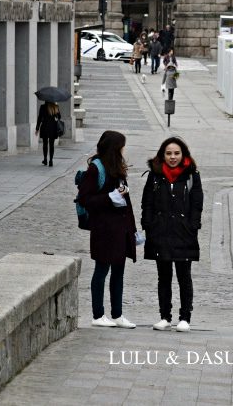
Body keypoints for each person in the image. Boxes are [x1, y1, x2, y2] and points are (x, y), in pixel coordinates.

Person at [141, 136, 203, 333]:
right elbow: (147, 202)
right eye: (168, 153)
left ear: (183, 154)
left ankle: (185, 317)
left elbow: (197, 203)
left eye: (176, 153)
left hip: (184, 233)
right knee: (163, 276)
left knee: (184, 276)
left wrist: (192, 226)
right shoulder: (155, 175)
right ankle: (164, 316)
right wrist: (149, 225)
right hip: (161, 233)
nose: (172, 157)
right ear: (162, 155)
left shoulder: (192, 175)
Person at [77, 131, 138, 329]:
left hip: (120, 229)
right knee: (101, 270)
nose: (123, 149)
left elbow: (126, 201)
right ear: (114, 148)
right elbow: (84, 199)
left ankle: (117, 314)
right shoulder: (96, 169)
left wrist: (133, 229)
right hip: (103, 229)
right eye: (121, 146)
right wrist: (109, 198)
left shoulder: (118, 167)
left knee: (119, 271)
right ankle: (98, 314)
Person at [35, 101, 61, 167]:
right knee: (51, 145)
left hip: (45, 127)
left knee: (45, 144)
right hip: (53, 128)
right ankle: (51, 161)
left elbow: (40, 118)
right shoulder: (55, 107)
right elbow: (59, 117)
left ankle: (45, 159)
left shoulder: (43, 107)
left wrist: (37, 128)